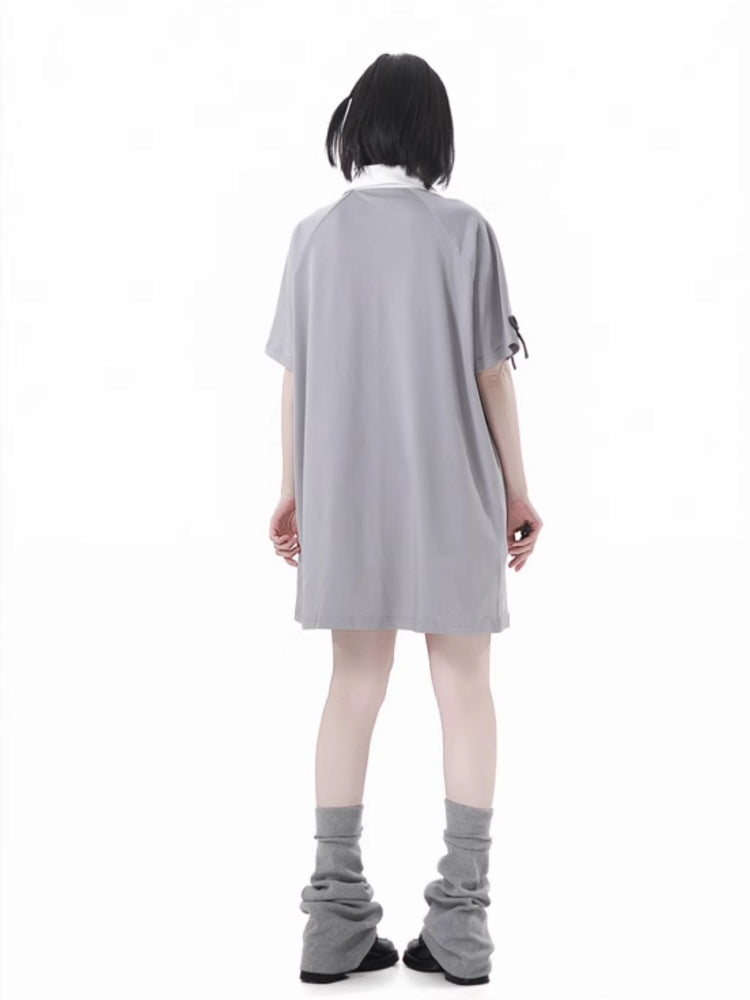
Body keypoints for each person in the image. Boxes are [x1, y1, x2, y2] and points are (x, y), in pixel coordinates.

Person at [265, 52, 543, 987]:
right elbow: (493, 375)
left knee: (352, 686)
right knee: (464, 688)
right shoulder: (466, 232)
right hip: (454, 492)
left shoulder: (311, 237)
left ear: (356, 128)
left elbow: (295, 380)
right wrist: (517, 489)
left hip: (345, 496)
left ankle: (332, 920)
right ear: (434, 133)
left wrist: (291, 488)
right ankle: (461, 924)